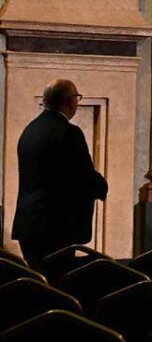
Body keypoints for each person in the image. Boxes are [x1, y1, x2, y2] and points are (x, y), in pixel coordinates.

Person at [12, 79, 108, 269]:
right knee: (58, 285)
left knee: (39, 282)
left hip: (29, 224)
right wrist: (101, 187)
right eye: (77, 98)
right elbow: (82, 175)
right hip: (56, 227)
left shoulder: (30, 130)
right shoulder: (69, 132)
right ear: (71, 101)